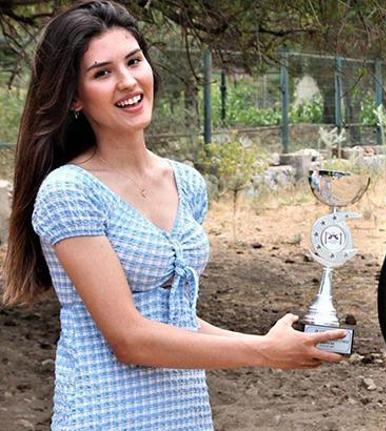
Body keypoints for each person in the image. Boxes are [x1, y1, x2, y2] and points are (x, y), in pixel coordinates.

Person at [1, 1, 346, 429]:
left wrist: (272, 347)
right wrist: (263, 352)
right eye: (102, 73)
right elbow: (129, 338)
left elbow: (176, 320)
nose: (128, 82)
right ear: (73, 97)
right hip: (105, 417)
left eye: (134, 61)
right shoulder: (70, 192)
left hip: (185, 415)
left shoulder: (186, 183)